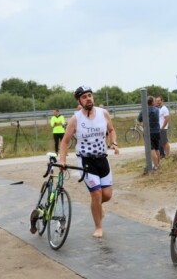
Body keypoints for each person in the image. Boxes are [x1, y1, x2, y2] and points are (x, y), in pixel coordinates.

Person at [58, 86, 120, 238]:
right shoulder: (76, 119)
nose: (88, 98)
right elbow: (65, 142)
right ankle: (98, 227)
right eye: (84, 96)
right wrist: (62, 160)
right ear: (79, 100)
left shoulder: (103, 113)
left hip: (102, 158)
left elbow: (111, 130)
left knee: (107, 195)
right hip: (85, 160)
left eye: (90, 95)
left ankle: (96, 206)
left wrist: (114, 143)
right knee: (96, 194)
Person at [139, 96, 161, 169]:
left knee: (152, 149)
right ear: (152, 102)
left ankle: (155, 166)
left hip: (149, 132)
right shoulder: (157, 109)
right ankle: (158, 164)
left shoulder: (145, 110)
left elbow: (139, 119)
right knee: (157, 149)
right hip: (157, 131)